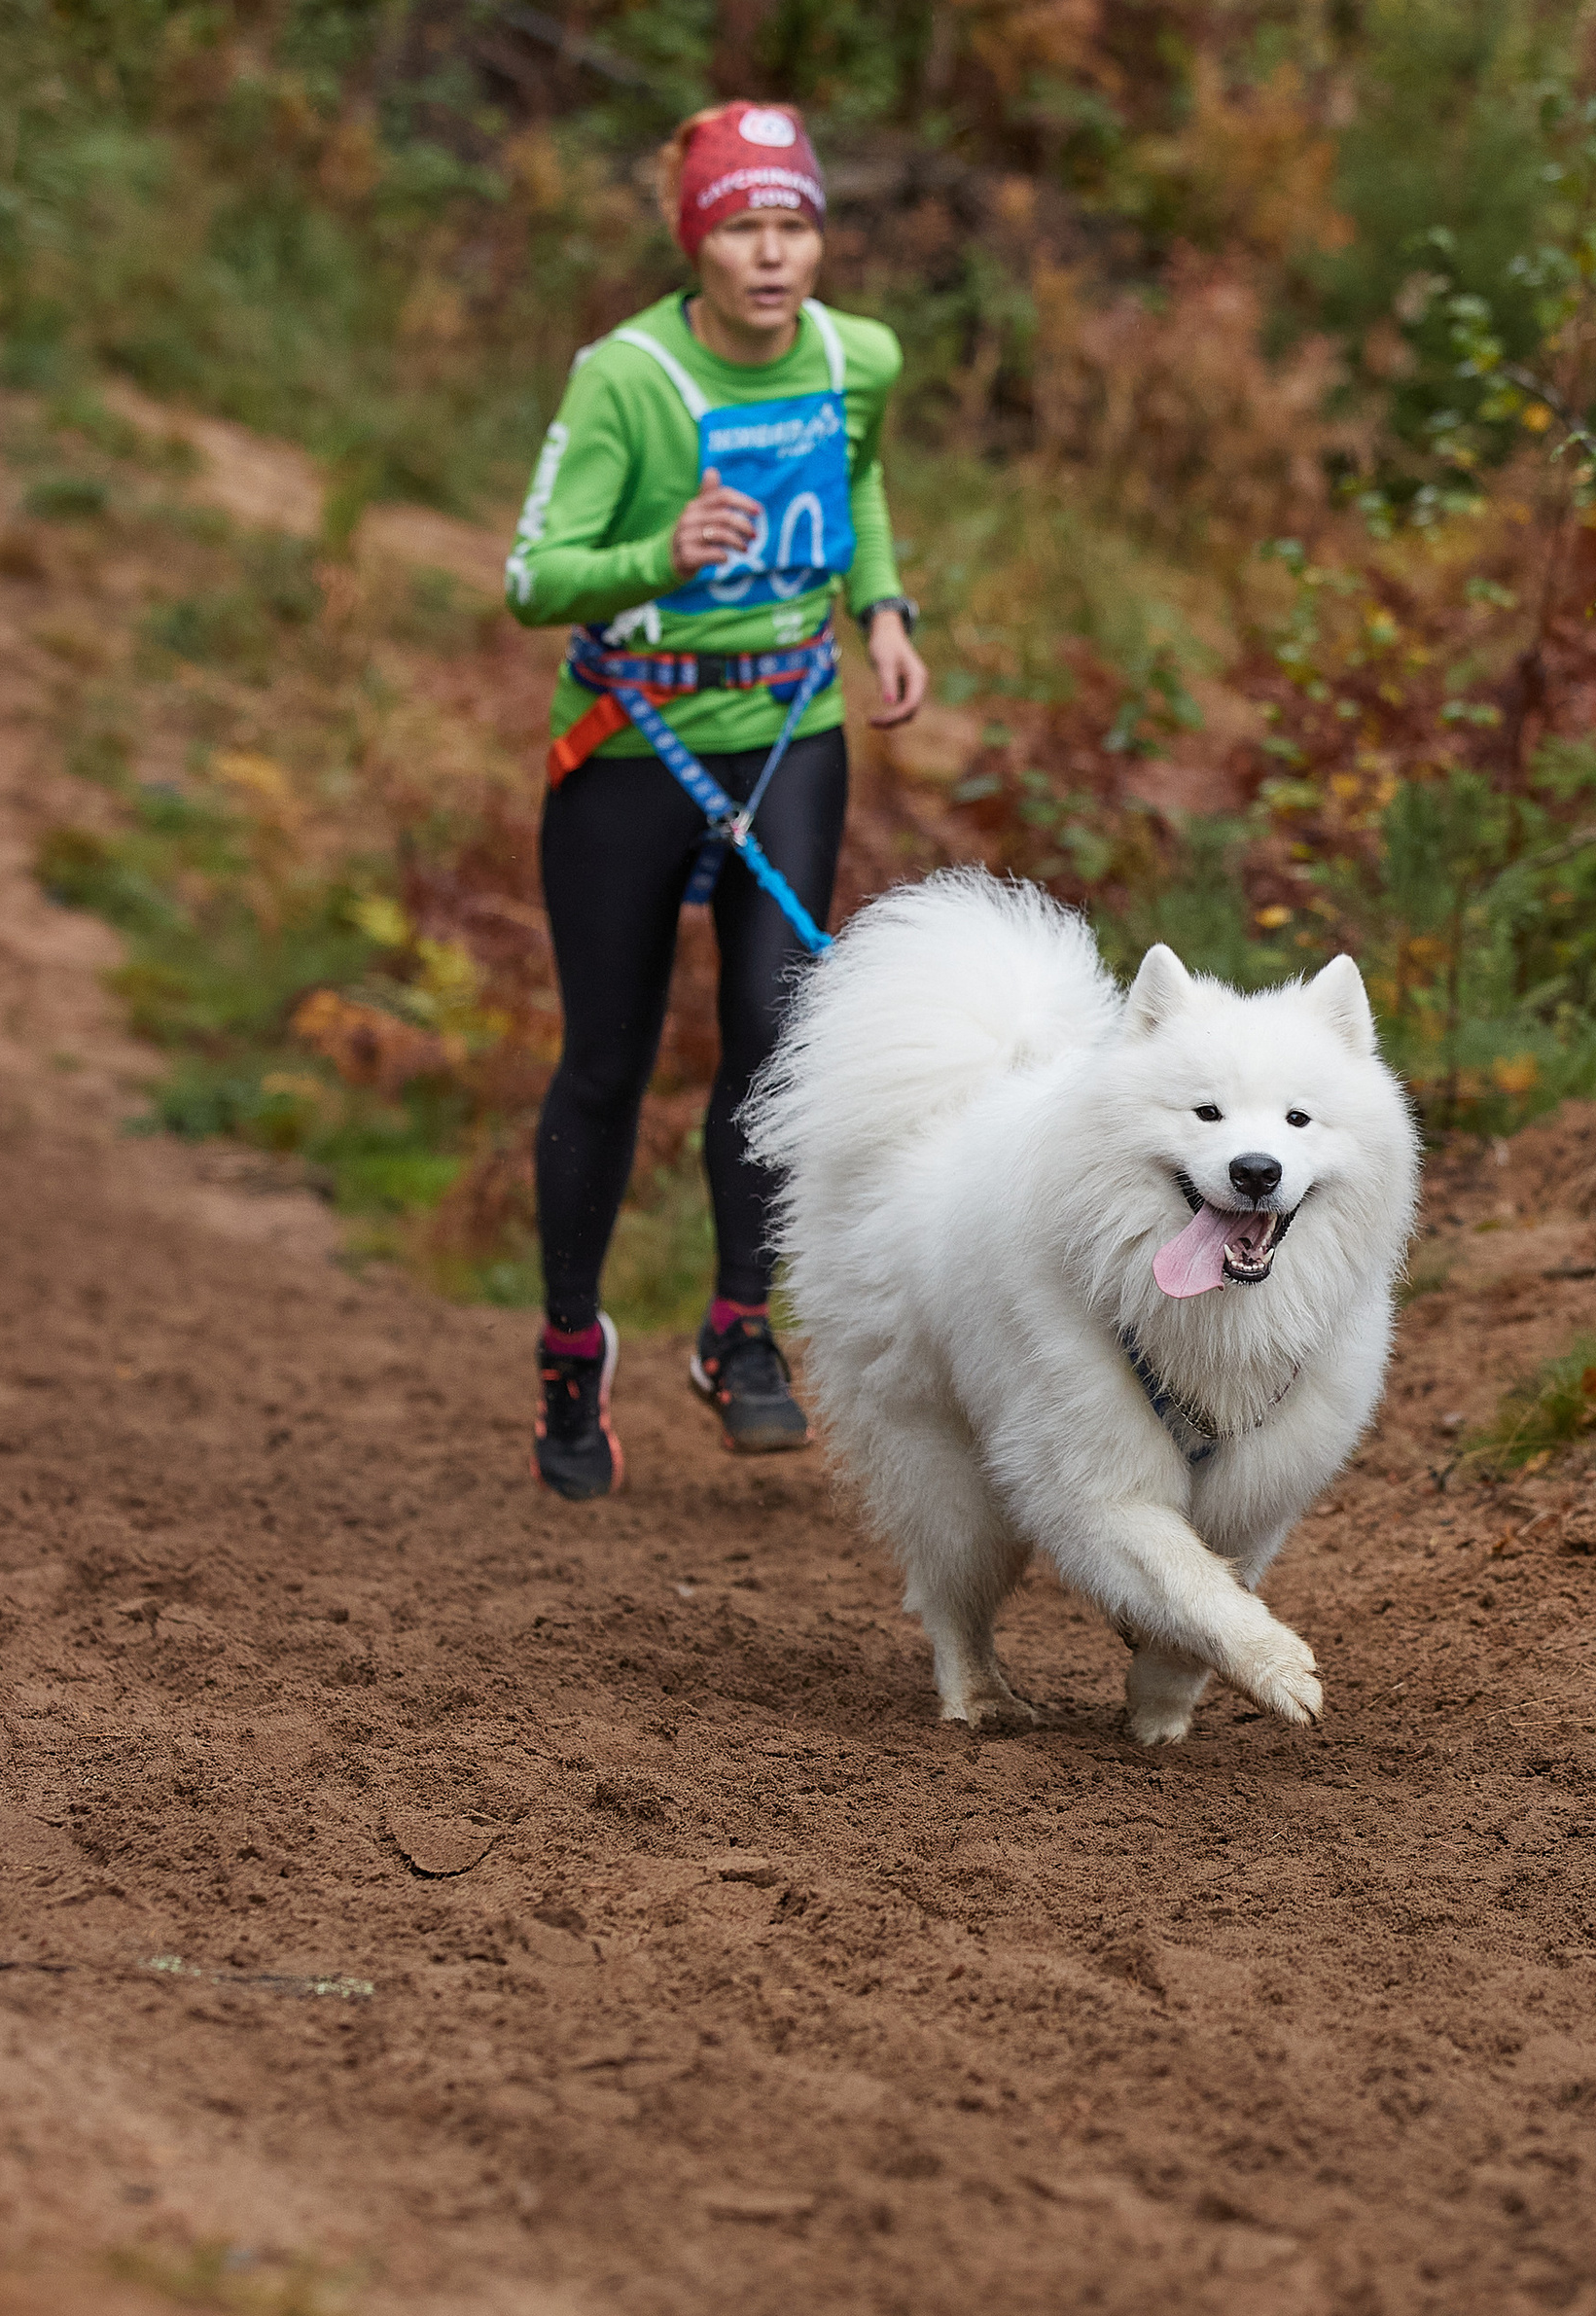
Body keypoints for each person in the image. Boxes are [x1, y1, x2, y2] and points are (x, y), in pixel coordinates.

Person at [503, 99, 925, 1500]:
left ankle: (741, 1328)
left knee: (776, 1030)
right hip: (632, 738)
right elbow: (531, 580)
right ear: (699, 238)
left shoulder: (854, 358)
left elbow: (856, 481)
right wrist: (657, 548)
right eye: (743, 224)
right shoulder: (625, 378)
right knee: (608, 1062)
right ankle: (573, 1345)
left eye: (793, 223)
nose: (771, 253)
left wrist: (881, 611)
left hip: (792, 726)